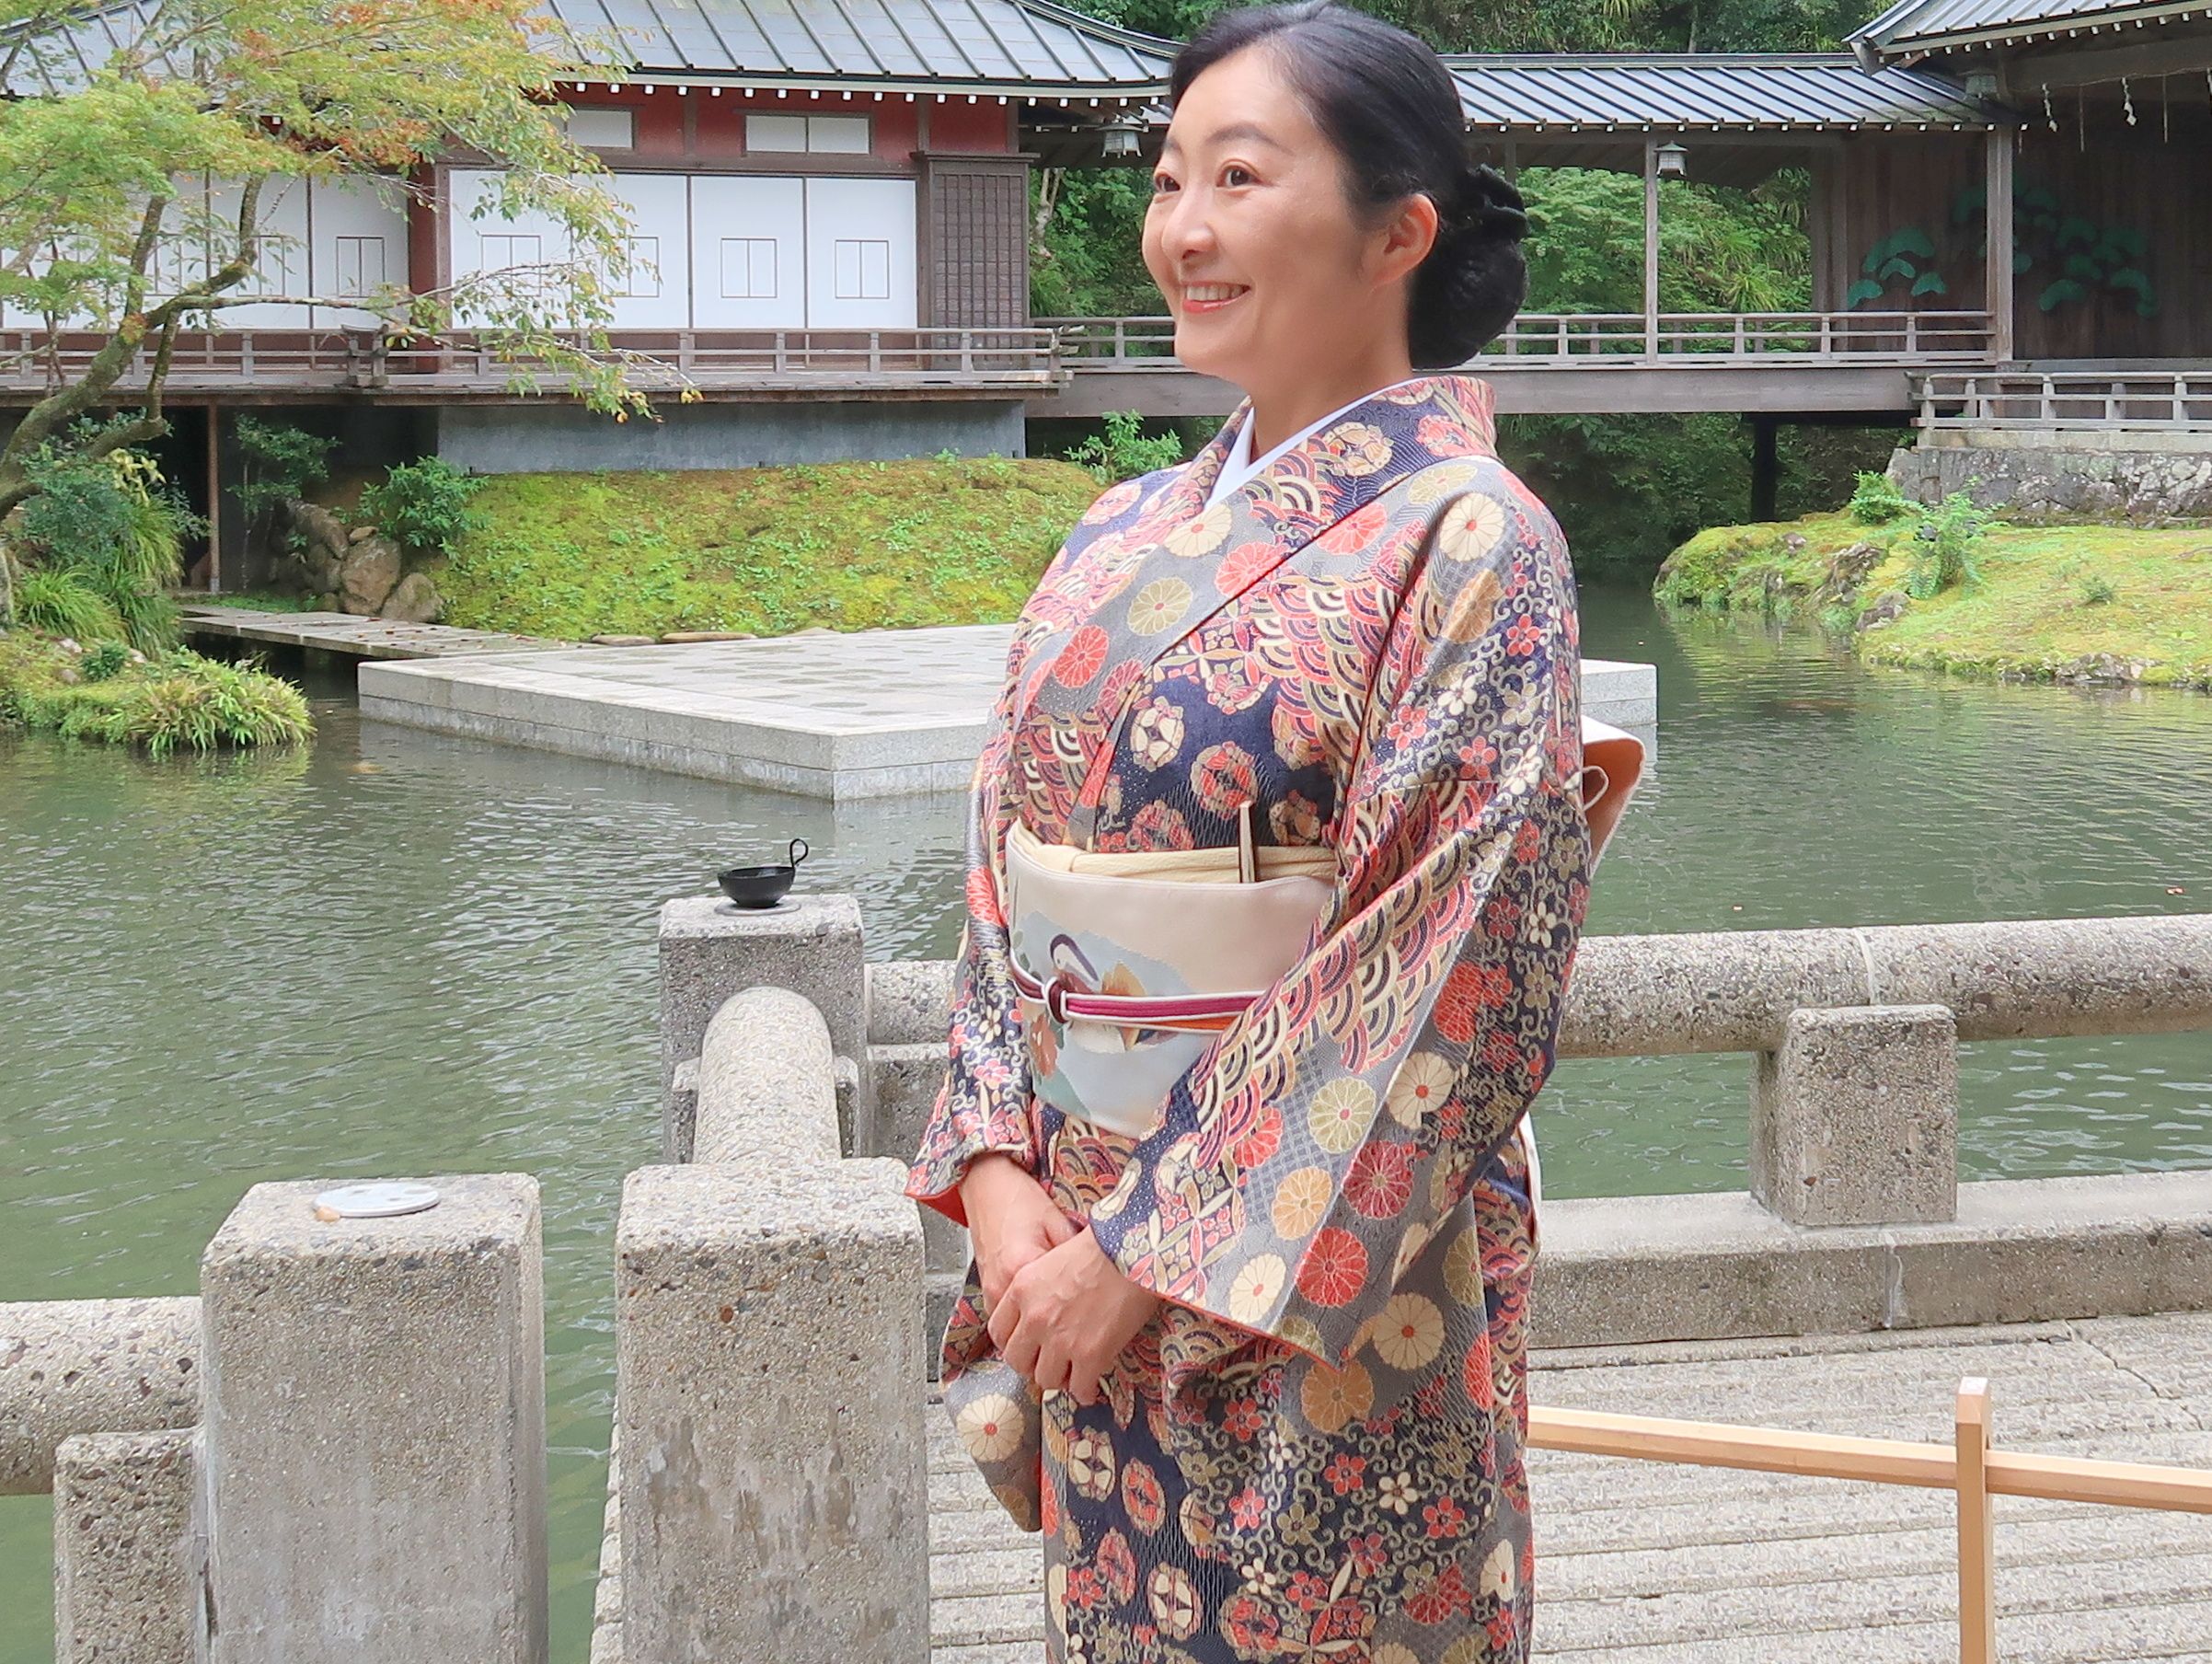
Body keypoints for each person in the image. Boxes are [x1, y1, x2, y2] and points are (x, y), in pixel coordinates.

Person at [906, 6, 1593, 1659]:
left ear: (1397, 234)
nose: (1183, 231)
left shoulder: (1477, 541)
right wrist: (1006, 1194)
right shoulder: (1112, 532)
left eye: (1238, 175)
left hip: (1335, 1296)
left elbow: (1450, 965)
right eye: (1166, 179)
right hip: (1073, 1285)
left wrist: (1139, 1257)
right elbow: (1005, 891)